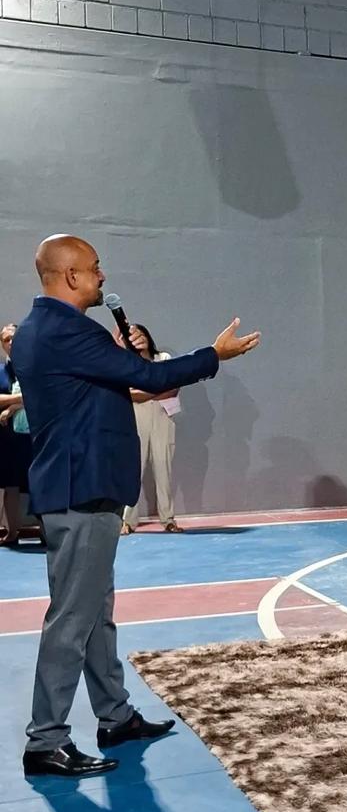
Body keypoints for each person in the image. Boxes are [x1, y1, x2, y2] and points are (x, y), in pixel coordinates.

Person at [14, 234, 260, 778]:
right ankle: (45, 740)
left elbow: (117, 388)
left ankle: (114, 716)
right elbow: (149, 375)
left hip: (77, 486)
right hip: (84, 488)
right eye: (95, 269)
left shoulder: (37, 329)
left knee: (94, 610)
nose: (103, 277)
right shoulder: (68, 329)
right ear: (72, 276)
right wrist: (213, 356)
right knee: (73, 617)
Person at [119, 323, 184, 535]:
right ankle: (128, 521)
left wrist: (144, 391)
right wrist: (155, 389)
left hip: (162, 417)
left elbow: (172, 387)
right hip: (136, 419)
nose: (140, 338)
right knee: (133, 470)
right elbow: (127, 394)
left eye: (143, 333)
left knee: (163, 468)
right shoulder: (127, 364)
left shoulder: (163, 359)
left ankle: (168, 519)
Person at [0, 320, 30, 545]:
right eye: (6, 340)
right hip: (9, 438)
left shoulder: (35, 365)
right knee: (10, 484)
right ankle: (12, 532)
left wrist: (12, 406)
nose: (10, 343)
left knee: (38, 483)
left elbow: (43, 394)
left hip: (37, 436)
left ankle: (50, 533)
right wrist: (20, 400)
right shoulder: (1, 371)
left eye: (13, 338)